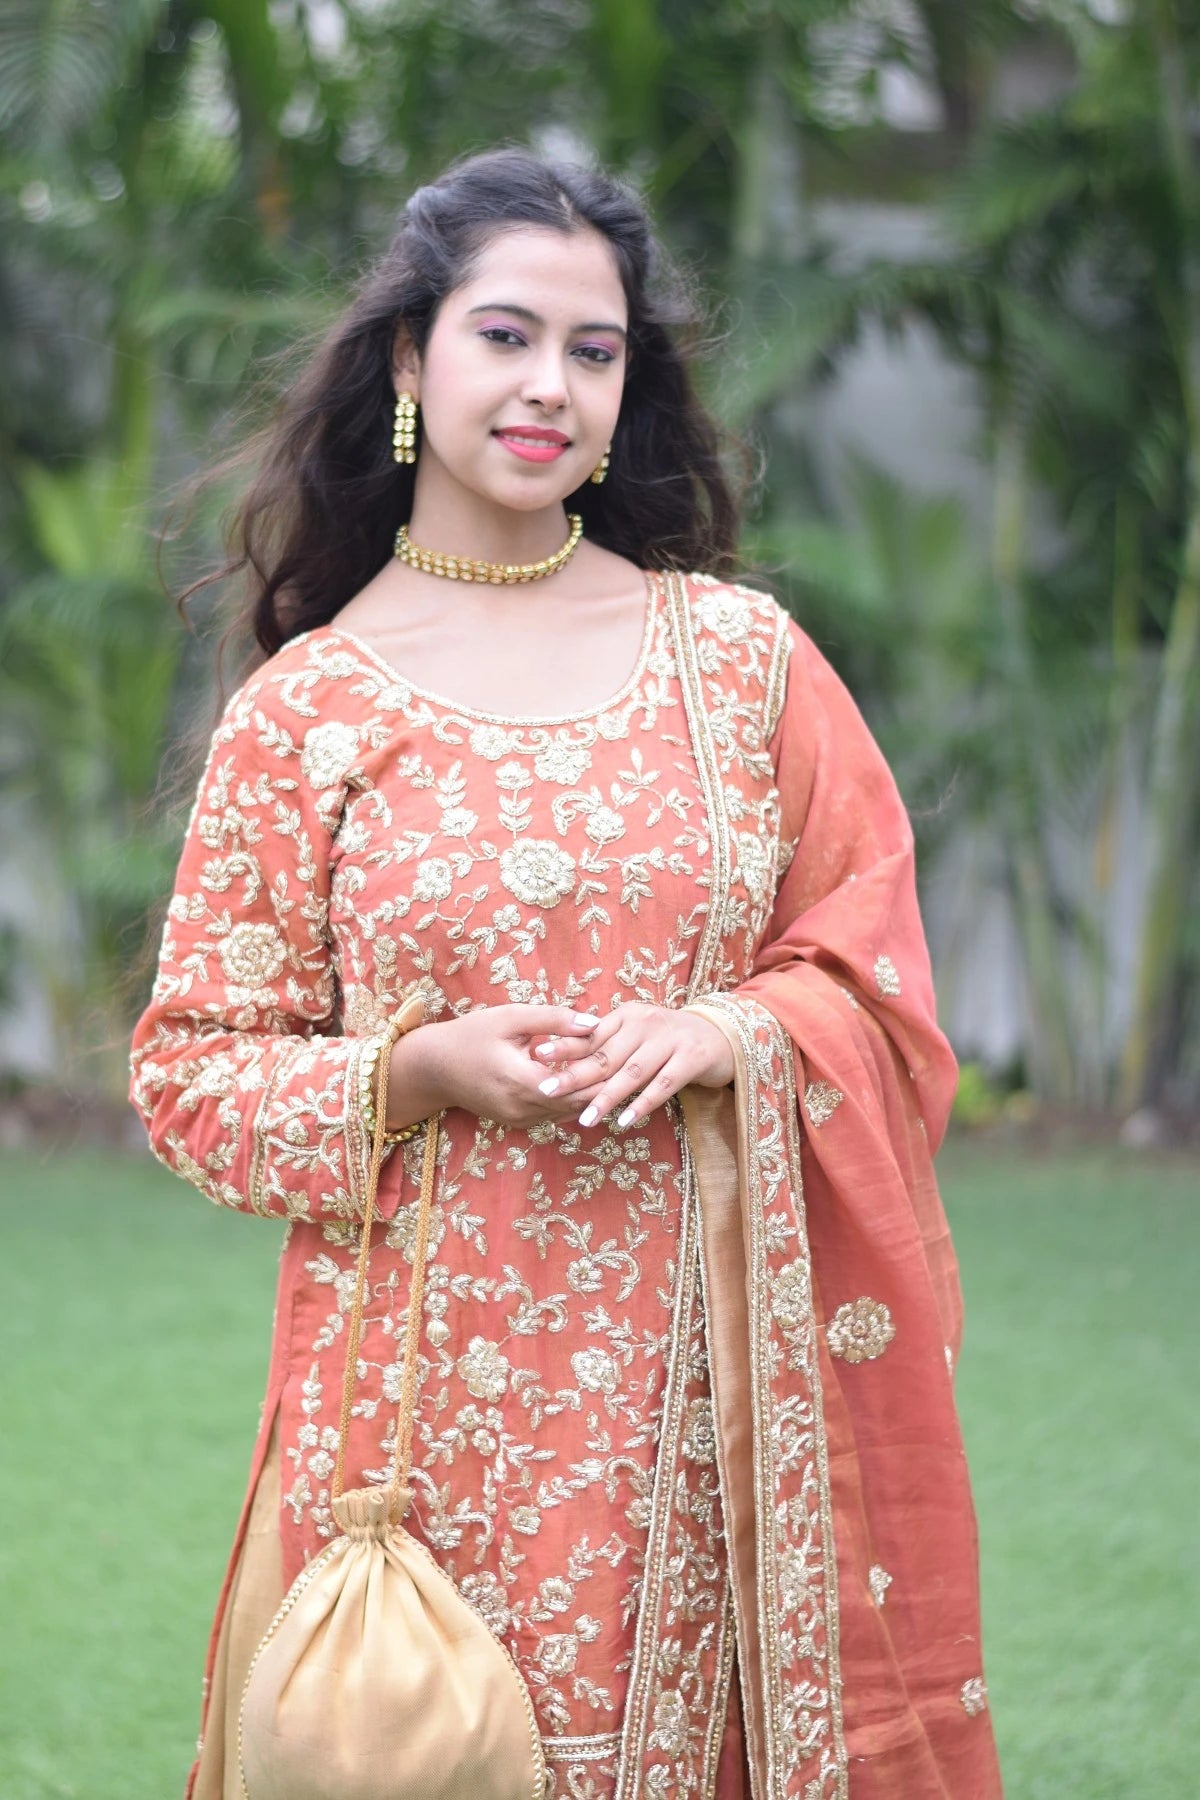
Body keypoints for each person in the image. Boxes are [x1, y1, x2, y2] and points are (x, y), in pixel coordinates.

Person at [129, 145, 1003, 1800]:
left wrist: (729, 1025)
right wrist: (418, 1071)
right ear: (409, 361)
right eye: (505, 337)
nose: (549, 388)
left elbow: (875, 983)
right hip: (406, 1422)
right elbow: (189, 1078)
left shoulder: (741, 662)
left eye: (592, 353)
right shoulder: (310, 713)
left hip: (702, 1402)